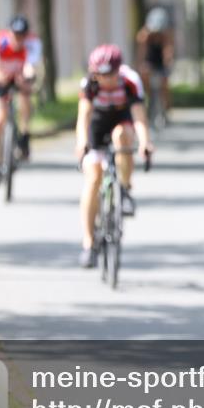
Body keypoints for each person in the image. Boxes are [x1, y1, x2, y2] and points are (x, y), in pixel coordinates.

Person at [75, 44, 153, 268]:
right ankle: (89, 243)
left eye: (109, 74)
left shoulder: (130, 81)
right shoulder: (90, 84)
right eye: (100, 74)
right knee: (93, 178)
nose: (105, 79)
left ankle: (126, 189)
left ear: (118, 70)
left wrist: (145, 142)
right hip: (97, 125)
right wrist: (82, 143)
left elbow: (139, 117)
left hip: (122, 120)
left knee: (122, 136)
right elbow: (84, 117)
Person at [0, 15, 40, 181]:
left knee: (26, 95)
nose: (18, 39)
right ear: (9, 32)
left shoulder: (32, 44)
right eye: (15, 34)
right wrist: (3, 76)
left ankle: (25, 134)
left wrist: (27, 77)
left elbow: (30, 67)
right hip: (0, 80)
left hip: (19, 78)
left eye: (22, 35)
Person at [135, 6, 175, 120]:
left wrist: (168, 62)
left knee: (164, 83)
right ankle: (147, 100)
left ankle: (167, 107)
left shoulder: (166, 35)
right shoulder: (144, 36)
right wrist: (141, 65)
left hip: (161, 61)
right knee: (144, 76)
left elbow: (168, 51)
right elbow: (141, 53)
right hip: (150, 60)